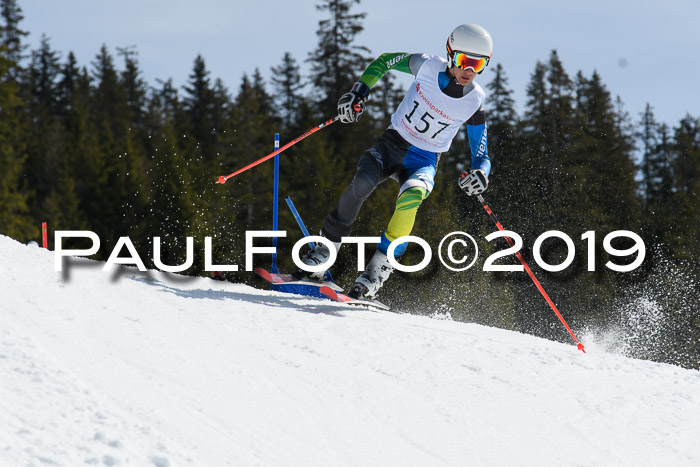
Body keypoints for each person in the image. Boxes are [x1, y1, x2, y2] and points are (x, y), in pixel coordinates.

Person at [297, 23, 493, 299]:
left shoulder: (474, 102)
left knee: (411, 198)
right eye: (464, 61)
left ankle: (377, 271)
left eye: (478, 65)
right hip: (392, 144)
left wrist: (481, 174)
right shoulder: (426, 66)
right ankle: (324, 252)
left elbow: (482, 156)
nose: (469, 71)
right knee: (363, 182)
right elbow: (385, 61)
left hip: (424, 160)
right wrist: (359, 91)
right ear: (450, 53)